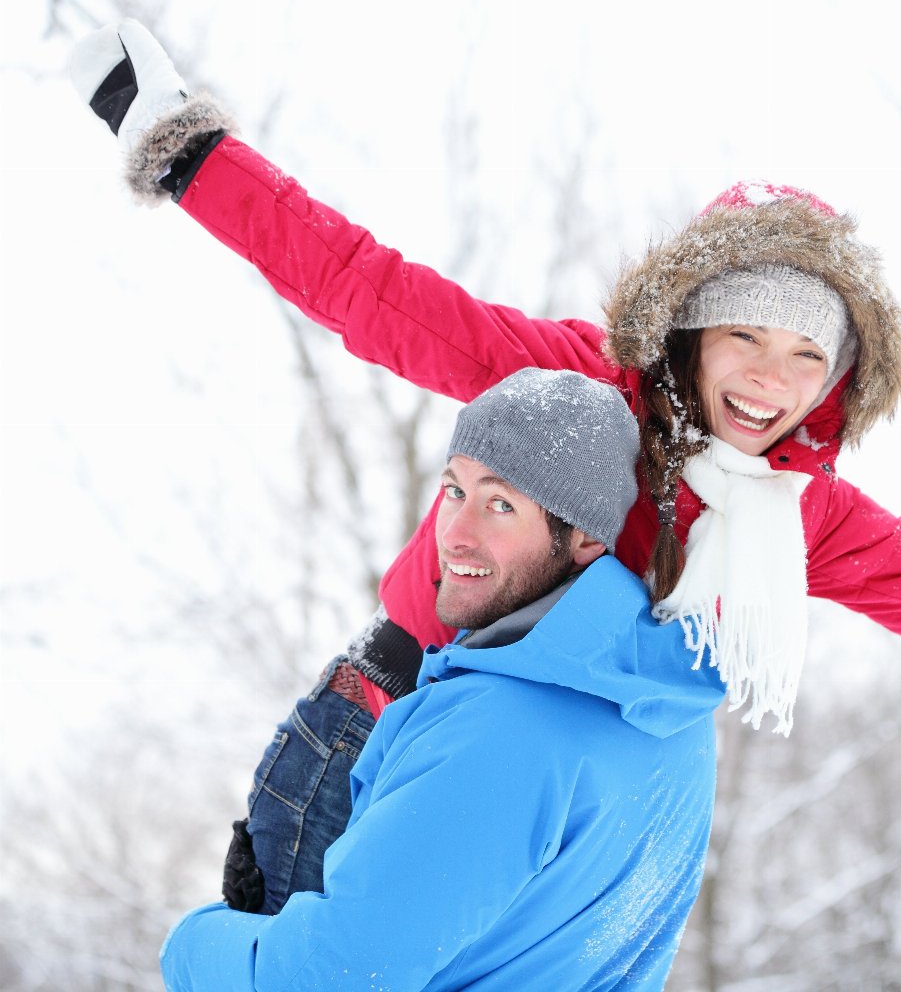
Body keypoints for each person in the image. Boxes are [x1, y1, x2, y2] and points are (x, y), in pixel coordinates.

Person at [71, 21, 901, 911]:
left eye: (806, 355)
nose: (771, 379)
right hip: (390, 711)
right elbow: (374, 294)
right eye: (746, 337)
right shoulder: (576, 386)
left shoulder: (805, 518)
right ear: (690, 328)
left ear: (839, 379)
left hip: (545, 798)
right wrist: (190, 158)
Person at [160, 366, 726, 990]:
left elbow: (325, 978)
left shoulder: (500, 731)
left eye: (500, 504)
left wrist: (196, 941)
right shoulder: (672, 711)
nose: (454, 535)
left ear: (586, 537)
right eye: (454, 491)